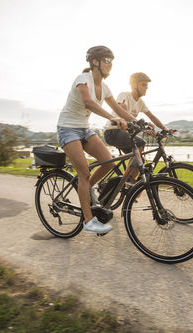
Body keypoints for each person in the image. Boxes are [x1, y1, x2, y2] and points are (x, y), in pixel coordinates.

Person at [57, 46, 137, 235]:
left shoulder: (106, 88)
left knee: (107, 162)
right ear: (95, 62)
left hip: (84, 129)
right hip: (68, 129)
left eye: (112, 62)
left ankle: (84, 189)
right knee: (84, 173)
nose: (111, 66)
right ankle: (88, 221)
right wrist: (112, 118)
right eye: (107, 61)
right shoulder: (82, 80)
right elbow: (88, 102)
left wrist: (141, 122)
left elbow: (119, 110)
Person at [104, 72, 175, 182]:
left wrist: (165, 129)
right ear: (135, 85)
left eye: (147, 85)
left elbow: (152, 116)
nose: (147, 87)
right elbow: (122, 110)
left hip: (125, 134)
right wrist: (142, 124)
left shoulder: (140, 102)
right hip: (113, 131)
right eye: (144, 84)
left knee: (139, 160)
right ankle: (127, 181)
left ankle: (129, 185)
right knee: (141, 143)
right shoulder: (124, 95)